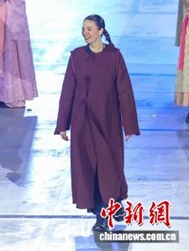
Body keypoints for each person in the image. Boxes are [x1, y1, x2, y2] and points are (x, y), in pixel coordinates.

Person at [55, 14, 140, 232]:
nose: (85, 33)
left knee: (109, 167)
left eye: (90, 29)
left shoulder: (114, 56)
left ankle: (114, 204)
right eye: (83, 29)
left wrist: (128, 124)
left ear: (101, 31)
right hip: (83, 123)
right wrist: (63, 123)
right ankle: (102, 215)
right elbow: (68, 91)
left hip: (108, 122)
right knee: (89, 169)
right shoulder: (76, 57)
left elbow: (125, 92)